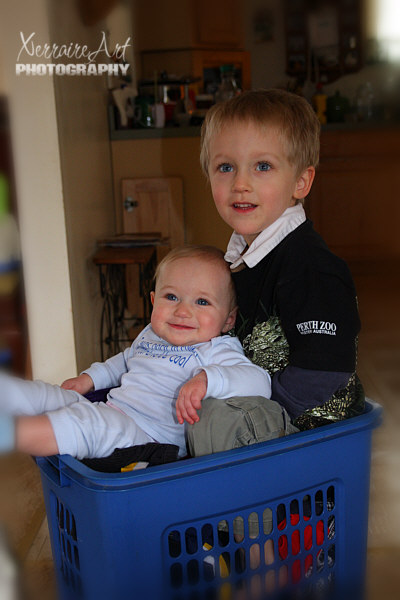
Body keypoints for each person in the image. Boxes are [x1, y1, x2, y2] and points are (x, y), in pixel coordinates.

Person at [188, 89, 364, 455]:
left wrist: (261, 413)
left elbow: (324, 369)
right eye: (225, 167)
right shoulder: (239, 256)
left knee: (208, 422)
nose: (240, 183)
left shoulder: (310, 267)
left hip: (309, 439)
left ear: (301, 182)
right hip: (261, 412)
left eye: (262, 166)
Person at [0, 245, 273, 460]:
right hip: (112, 409)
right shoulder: (152, 334)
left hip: (148, 440)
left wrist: (207, 380)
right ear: (153, 301)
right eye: (171, 297)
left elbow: (260, 382)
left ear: (228, 319)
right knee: (51, 396)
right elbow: (124, 361)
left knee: (82, 426)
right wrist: (90, 379)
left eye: (202, 301)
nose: (183, 310)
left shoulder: (216, 348)